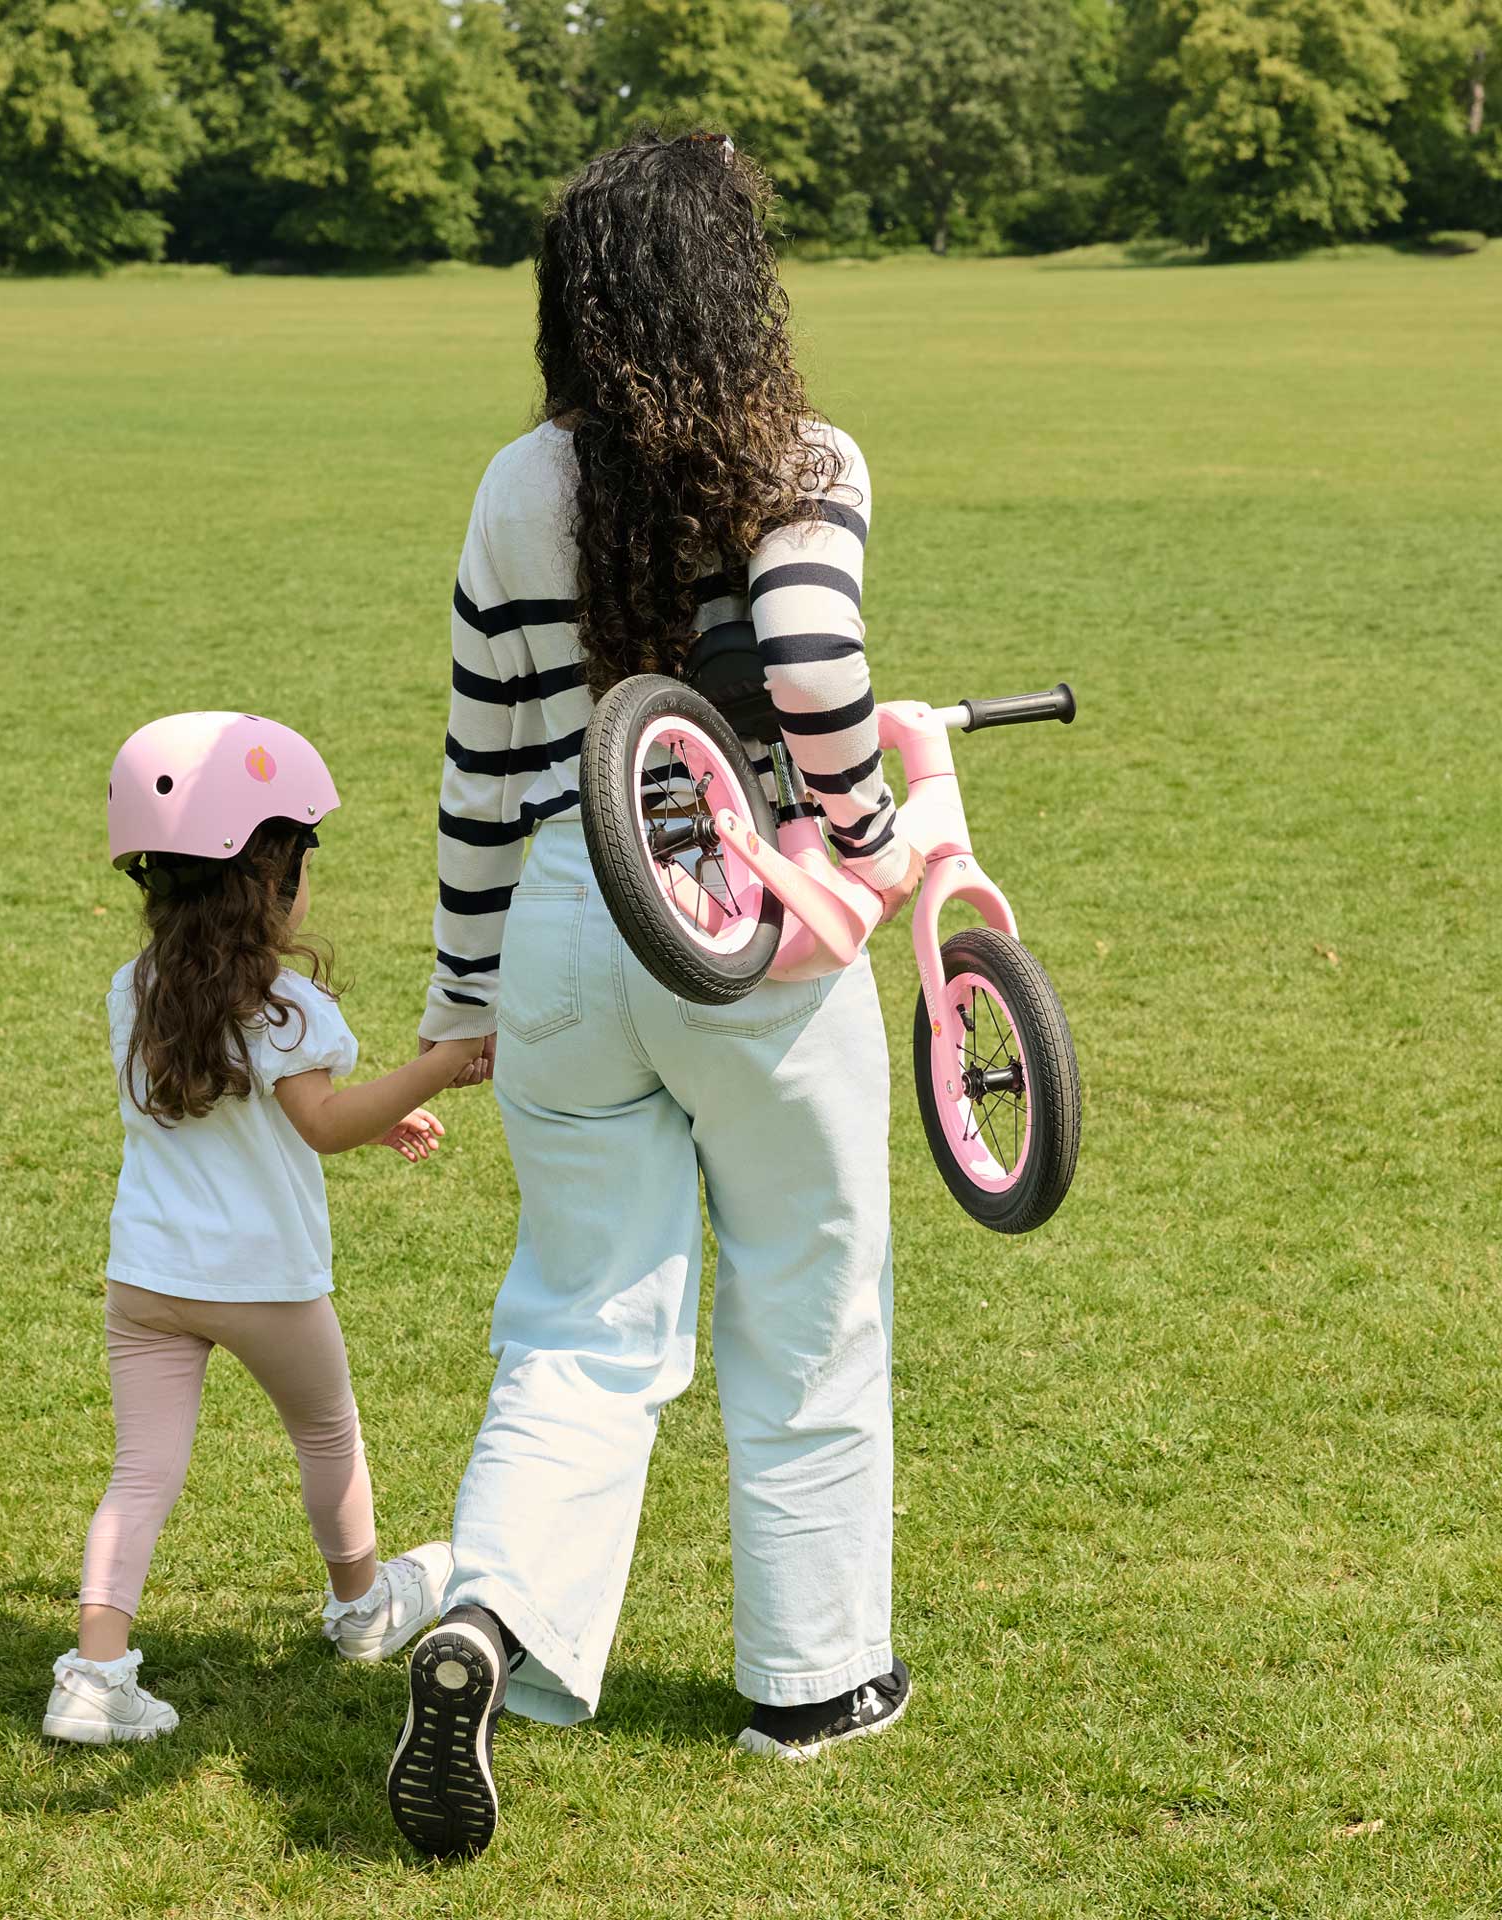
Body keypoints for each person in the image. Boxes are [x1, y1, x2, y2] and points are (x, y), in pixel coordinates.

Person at [386, 133, 925, 1854]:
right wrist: (871, 835)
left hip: (560, 916)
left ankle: (490, 1618)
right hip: (742, 917)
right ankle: (815, 1682)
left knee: (580, 1315)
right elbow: (819, 667)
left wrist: (458, 1003)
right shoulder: (799, 456)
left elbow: (482, 766)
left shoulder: (514, 482)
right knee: (807, 1292)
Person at [44, 711, 483, 1745]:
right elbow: (319, 1123)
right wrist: (438, 1065)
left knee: (141, 1471)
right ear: (272, 875)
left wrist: (378, 1124)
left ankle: (92, 1680)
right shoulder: (287, 1009)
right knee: (327, 1434)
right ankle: (363, 1609)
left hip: (148, 1277)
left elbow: (255, 1112)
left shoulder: (134, 991)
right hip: (268, 1286)